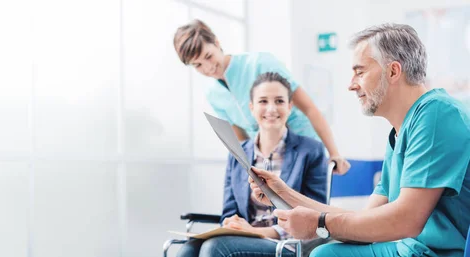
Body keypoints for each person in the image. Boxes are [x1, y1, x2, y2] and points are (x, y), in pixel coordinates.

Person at [249, 23, 470, 257]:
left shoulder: (437, 114)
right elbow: (364, 220)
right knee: (326, 253)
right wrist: (284, 193)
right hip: (408, 248)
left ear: (393, 71)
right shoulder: (399, 132)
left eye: (360, 72)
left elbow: (407, 220)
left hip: (435, 254)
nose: (351, 84)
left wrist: (319, 224)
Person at [176, 72, 328, 257]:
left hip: (287, 245)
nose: (271, 108)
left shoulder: (311, 151)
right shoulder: (238, 153)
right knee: (187, 250)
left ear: (290, 106)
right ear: (251, 107)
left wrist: (256, 232)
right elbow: (229, 211)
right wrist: (232, 223)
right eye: (263, 101)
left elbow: (315, 216)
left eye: (279, 101)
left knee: (214, 248)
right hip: (245, 238)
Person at [174, 19, 351, 174]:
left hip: (303, 145)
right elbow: (241, 138)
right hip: (269, 159)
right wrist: (250, 170)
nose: (208, 68)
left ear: (216, 42)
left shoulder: (260, 63)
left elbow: (309, 108)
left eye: (209, 56)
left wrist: (334, 152)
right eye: (198, 65)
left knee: (307, 209)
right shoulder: (213, 94)